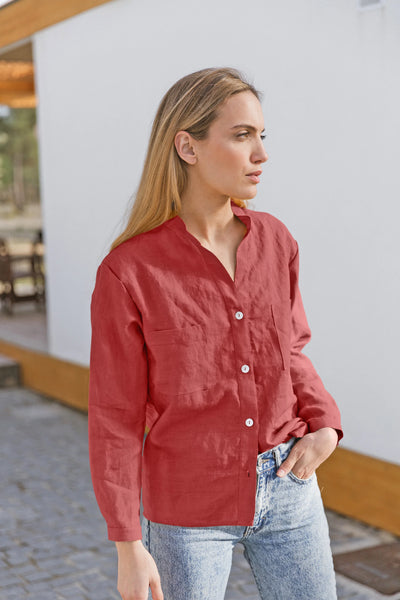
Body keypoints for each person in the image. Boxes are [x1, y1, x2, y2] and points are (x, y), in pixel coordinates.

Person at [88, 67, 343, 600]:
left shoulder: (276, 241)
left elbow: (291, 347)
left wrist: (324, 424)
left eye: (262, 136)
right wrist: (128, 544)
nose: (262, 154)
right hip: (187, 511)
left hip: (290, 485)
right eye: (242, 135)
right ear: (188, 146)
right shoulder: (129, 270)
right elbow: (115, 414)